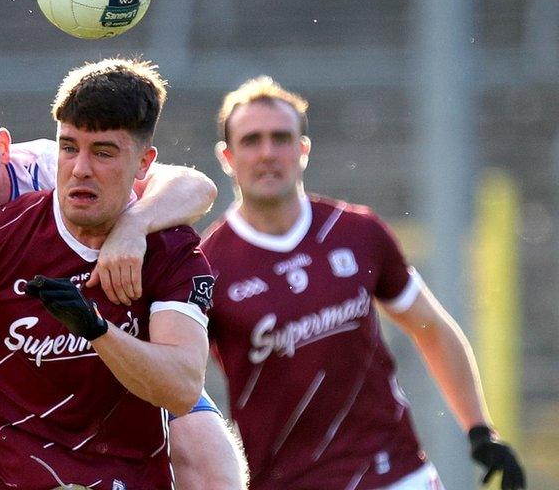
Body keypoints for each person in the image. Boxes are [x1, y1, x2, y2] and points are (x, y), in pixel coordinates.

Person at [0, 58, 246, 489]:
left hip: (131, 369)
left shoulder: (58, 162)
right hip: (25, 386)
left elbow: (195, 187)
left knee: (210, 464)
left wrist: (133, 227)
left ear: (2, 146)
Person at [199, 76, 526, 489]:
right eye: (251, 140)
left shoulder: (357, 231)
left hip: (396, 472)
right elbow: (179, 386)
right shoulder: (207, 264)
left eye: (281, 138)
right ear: (227, 156)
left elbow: (433, 329)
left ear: (303, 149)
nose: (267, 153)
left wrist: (479, 430)